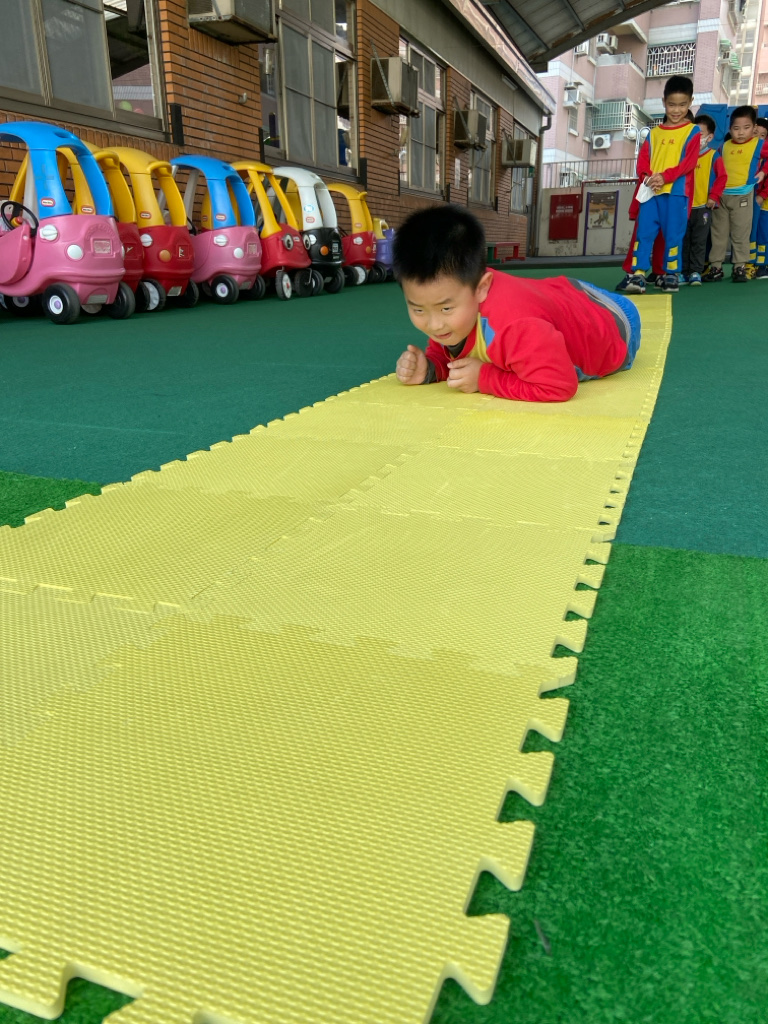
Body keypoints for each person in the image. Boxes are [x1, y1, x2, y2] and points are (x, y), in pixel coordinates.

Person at [393, 205, 641, 403]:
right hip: (561, 295)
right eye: (418, 309)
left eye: (446, 308)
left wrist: (484, 378)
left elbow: (559, 385)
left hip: (616, 325)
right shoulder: (458, 295)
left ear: (482, 288)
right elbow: (452, 350)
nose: (435, 325)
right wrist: (430, 367)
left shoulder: (515, 325)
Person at [624, 76, 700, 295]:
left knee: (673, 235)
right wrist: (647, 176)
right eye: (672, 104)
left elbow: (688, 163)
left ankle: (671, 274)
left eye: (682, 105)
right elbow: (643, 161)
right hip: (651, 193)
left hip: (676, 194)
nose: (677, 110)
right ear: (664, 102)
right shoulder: (654, 133)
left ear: (690, 102)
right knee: (644, 233)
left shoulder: (693, 131)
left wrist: (665, 177)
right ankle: (638, 274)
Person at [703, 106, 768, 283]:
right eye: (736, 128)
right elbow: (715, 170)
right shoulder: (723, 147)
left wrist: (763, 172)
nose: (740, 132)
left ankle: (740, 267)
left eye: (746, 128)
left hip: (743, 196)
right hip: (721, 197)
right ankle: (716, 267)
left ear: (754, 128)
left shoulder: (758, 144)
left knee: (741, 233)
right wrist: (713, 194)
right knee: (718, 233)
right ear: (730, 129)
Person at [680, 114, 726, 286]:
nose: (696, 138)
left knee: (699, 241)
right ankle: (683, 272)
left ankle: (695, 272)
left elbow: (722, 178)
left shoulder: (714, 156)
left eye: (700, 134)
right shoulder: (685, 157)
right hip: (684, 207)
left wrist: (713, 197)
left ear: (710, 137)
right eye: (694, 134)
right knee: (684, 240)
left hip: (703, 207)